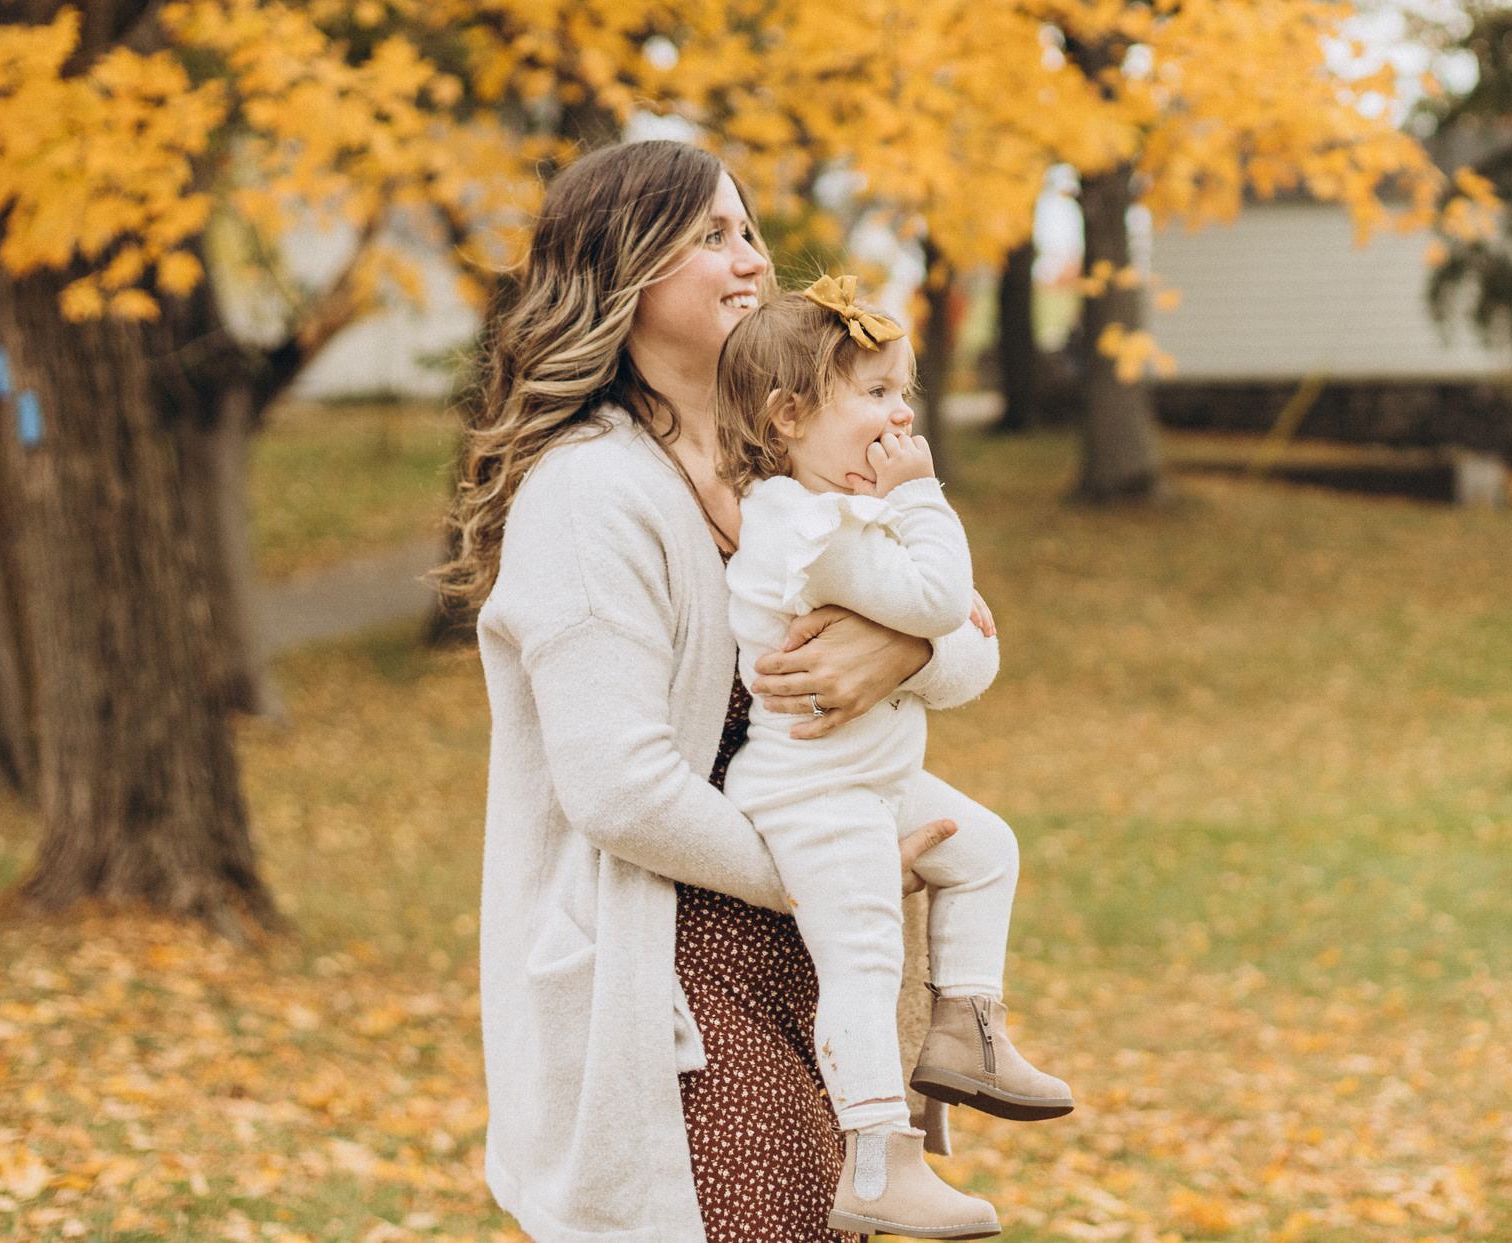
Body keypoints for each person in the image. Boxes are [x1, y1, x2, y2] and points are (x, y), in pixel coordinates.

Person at [441, 141, 1002, 1243]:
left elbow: (971, 638)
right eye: (708, 237)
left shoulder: (794, 461)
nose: (749, 262)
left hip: (814, 961)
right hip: (672, 979)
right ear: (622, 273)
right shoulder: (590, 495)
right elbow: (618, 788)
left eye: (748, 230)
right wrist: (817, 879)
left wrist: (901, 655)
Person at [714, 281, 1073, 1238]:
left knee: (986, 847)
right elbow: (935, 601)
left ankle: (968, 1028)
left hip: (868, 775)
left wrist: (935, 601)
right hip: (812, 791)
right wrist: (924, 500)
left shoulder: (844, 510)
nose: (901, 412)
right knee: (865, 956)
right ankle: (876, 1156)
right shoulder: (803, 524)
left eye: (903, 390)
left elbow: (950, 632)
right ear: (789, 416)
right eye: (874, 393)